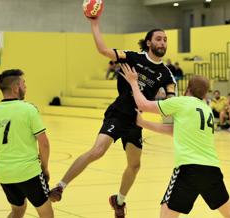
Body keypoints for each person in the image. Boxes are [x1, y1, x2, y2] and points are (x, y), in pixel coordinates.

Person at [49, 13, 177, 218]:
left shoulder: (166, 74)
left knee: (134, 165)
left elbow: (170, 102)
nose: (162, 42)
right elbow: (103, 50)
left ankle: (119, 201)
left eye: (165, 39)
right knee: (98, 151)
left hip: (136, 119)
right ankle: (60, 187)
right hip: (118, 113)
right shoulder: (132, 57)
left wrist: (164, 102)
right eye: (158, 38)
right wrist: (95, 24)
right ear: (149, 42)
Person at [120, 63, 230, 218]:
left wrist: (133, 82)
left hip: (188, 168)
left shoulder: (181, 102)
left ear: (187, 89)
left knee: (166, 212)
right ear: (204, 94)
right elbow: (174, 131)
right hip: (212, 169)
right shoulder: (206, 109)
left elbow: (143, 104)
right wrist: (143, 123)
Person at [0, 69, 53, 218]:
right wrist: (44, 168)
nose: (25, 87)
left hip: (4, 173)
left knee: (18, 211)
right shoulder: (29, 109)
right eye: (23, 83)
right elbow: (44, 143)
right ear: (15, 88)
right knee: (47, 214)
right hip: (29, 173)